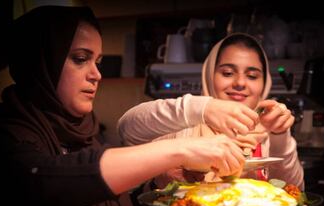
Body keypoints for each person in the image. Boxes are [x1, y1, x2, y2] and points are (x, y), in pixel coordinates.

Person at [0, 6, 252, 206]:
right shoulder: (2, 137)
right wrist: (180, 149)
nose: (96, 74)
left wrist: (160, 179)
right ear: (40, 63)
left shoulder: (84, 134)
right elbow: (46, 182)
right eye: (80, 59)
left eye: (97, 62)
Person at [118, 33, 304, 190]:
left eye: (252, 76)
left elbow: (293, 190)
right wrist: (204, 108)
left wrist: (279, 135)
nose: (240, 83)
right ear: (209, 75)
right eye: (227, 73)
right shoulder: (181, 125)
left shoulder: (267, 134)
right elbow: (126, 129)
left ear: (264, 83)